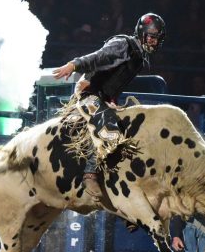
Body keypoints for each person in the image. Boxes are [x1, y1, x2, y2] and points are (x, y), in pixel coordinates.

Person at [52, 12, 166, 201]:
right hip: (88, 93)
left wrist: (112, 100)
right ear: (142, 33)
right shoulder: (123, 44)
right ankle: (89, 174)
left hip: (103, 97)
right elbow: (99, 57)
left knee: (129, 132)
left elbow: (115, 81)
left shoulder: (139, 57)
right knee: (109, 128)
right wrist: (74, 64)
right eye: (152, 37)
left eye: (157, 39)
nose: (154, 42)